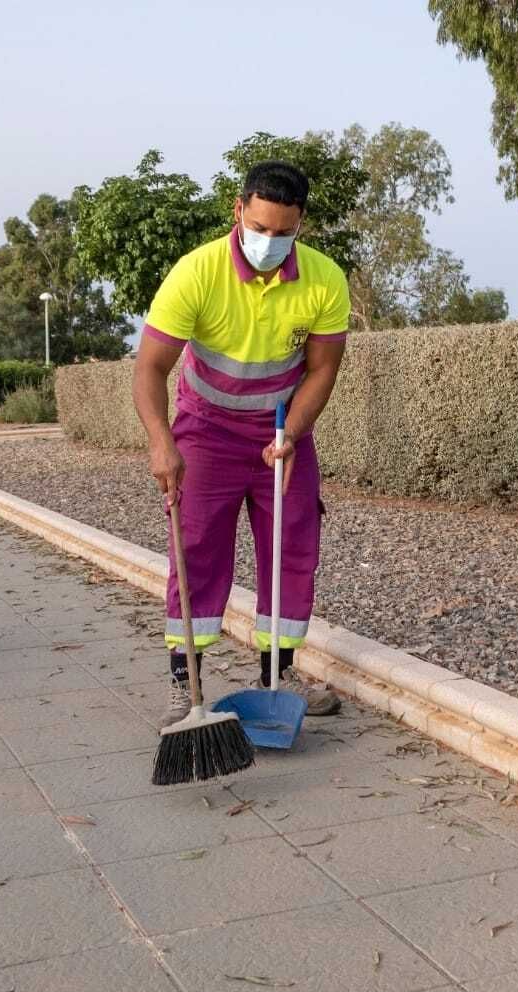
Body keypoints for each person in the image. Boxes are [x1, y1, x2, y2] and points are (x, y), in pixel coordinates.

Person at [133, 159, 348, 722]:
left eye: (284, 233)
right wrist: (162, 443)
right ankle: (189, 686)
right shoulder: (196, 272)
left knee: (292, 544)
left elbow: (322, 370)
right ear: (239, 210)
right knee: (197, 548)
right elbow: (150, 369)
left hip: (280, 429)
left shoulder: (324, 279)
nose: (269, 242)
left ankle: (279, 677)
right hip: (206, 430)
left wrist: (292, 433)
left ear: (301, 223)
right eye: (260, 229)